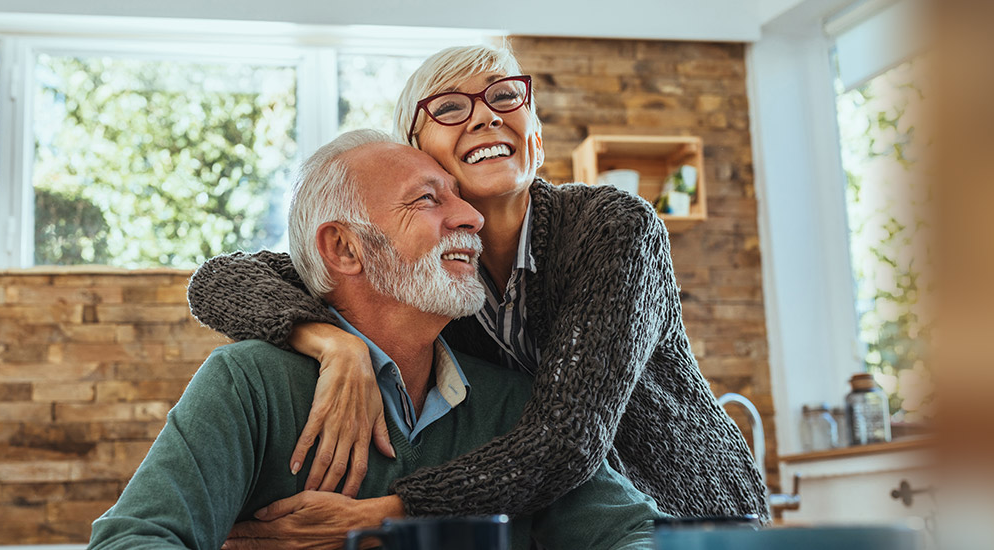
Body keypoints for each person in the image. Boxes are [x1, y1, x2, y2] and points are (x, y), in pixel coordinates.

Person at [186, 45, 768, 519]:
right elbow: (221, 279)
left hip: (687, 513)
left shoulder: (614, 228)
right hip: (559, 523)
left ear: (534, 134)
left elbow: (567, 440)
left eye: (504, 96)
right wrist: (330, 341)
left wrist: (387, 512)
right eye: (450, 108)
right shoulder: (420, 272)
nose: (486, 115)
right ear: (417, 155)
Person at [91, 130, 664, 550]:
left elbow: (633, 537)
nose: (471, 216)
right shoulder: (249, 385)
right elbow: (132, 542)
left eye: (458, 197)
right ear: (344, 249)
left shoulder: (512, 402)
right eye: (428, 199)